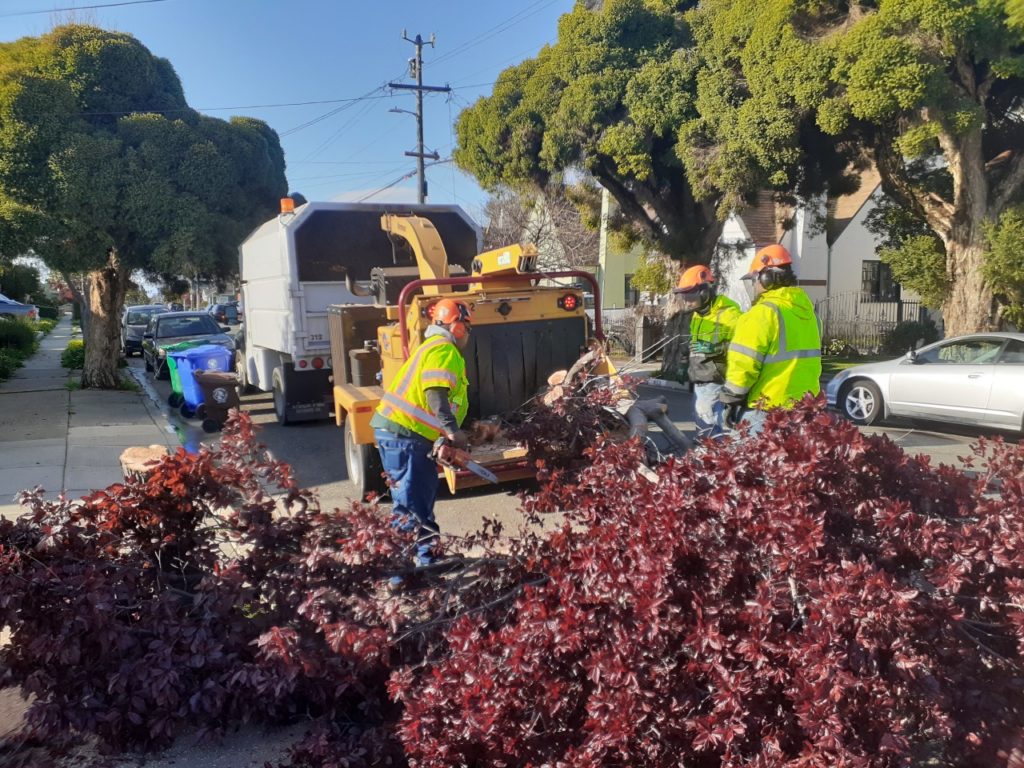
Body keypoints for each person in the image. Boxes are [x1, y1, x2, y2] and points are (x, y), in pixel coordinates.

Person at [369, 298, 472, 579]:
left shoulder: (431, 347)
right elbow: (435, 395)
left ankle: (429, 559)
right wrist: (452, 431)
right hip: (404, 435)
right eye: (467, 326)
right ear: (458, 327)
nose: (467, 334)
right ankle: (398, 575)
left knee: (419, 501)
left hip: (408, 436)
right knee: (410, 506)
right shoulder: (444, 350)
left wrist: (441, 438)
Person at [718, 244, 822, 435]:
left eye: (755, 280)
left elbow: (744, 365)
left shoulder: (762, 314)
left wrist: (730, 400)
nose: (754, 286)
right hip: (805, 410)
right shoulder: (809, 313)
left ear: (766, 278)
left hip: (766, 411)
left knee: (743, 461)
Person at [673, 265, 741, 438]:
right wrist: (686, 359)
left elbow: (742, 350)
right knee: (704, 432)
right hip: (700, 382)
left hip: (717, 382)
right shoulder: (698, 315)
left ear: (704, 291)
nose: (687, 301)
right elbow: (697, 345)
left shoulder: (729, 314)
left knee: (713, 434)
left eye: (690, 295)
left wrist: (713, 349)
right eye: (684, 296)